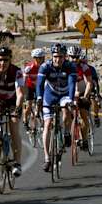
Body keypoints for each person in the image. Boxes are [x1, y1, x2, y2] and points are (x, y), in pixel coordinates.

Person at [0, 45, 24, 178]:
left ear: (10, 60)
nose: (3, 63)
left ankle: (17, 163)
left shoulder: (16, 72)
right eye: (0, 60)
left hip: (12, 101)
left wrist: (18, 108)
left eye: (6, 60)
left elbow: (20, 93)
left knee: (14, 127)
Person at [36, 43, 77, 171]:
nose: (57, 59)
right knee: (47, 124)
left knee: (66, 109)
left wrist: (70, 99)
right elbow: (39, 84)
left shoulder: (70, 66)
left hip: (64, 94)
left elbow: (71, 84)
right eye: (55, 56)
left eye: (60, 56)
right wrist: (39, 98)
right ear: (52, 56)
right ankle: (47, 158)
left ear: (65, 57)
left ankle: (66, 132)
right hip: (50, 95)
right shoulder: (45, 67)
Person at [21, 48, 46, 133]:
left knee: (41, 103)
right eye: (38, 58)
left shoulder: (45, 66)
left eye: (42, 58)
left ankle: (40, 117)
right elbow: (24, 81)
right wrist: (23, 93)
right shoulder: (29, 68)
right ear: (34, 58)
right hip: (30, 87)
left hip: (40, 87)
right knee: (28, 105)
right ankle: (25, 120)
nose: (40, 60)